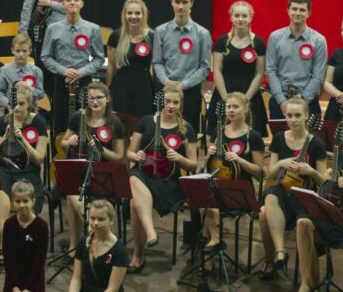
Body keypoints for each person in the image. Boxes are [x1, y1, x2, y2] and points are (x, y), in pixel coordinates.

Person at [42, 200, 136, 292]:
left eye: (101, 219)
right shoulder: (84, 243)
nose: (95, 223)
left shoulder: (119, 251)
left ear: (111, 220)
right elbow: (76, 278)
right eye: (92, 218)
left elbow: (112, 290)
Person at [126, 81, 198, 273]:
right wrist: (137, 156)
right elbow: (129, 153)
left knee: (134, 204)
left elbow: (193, 165)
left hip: (168, 181)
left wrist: (179, 158)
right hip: (143, 174)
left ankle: (138, 255)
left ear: (181, 104)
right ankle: (149, 234)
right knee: (133, 177)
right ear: (160, 101)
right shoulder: (146, 121)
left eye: (175, 102)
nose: (171, 106)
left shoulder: (186, 129)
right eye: (167, 101)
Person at [259, 96, 326, 281]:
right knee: (270, 196)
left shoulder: (316, 143)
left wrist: (311, 171)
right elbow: (271, 174)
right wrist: (282, 162)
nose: (293, 120)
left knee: (264, 213)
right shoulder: (279, 138)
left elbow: (323, 183)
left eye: (297, 115)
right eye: (289, 115)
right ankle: (280, 251)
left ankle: (274, 260)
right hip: (282, 191)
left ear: (306, 116)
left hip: (302, 197)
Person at [60, 82, 125, 258]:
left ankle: (88, 239)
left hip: (104, 178)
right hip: (79, 174)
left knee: (73, 194)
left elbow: (119, 157)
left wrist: (101, 150)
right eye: (90, 98)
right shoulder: (78, 117)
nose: (94, 102)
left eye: (99, 98)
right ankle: (83, 241)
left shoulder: (114, 123)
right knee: (73, 190)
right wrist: (70, 141)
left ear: (107, 99)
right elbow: (63, 143)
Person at [0, 83, 47, 266]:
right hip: (5, 169)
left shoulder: (38, 122)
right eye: (14, 104)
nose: (16, 108)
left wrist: (23, 140)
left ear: (29, 105)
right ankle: (4, 244)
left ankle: (16, 244)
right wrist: (6, 137)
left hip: (28, 171)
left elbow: (39, 158)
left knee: (20, 194)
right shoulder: (3, 121)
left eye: (21, 104)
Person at [201, 93, 264, 252]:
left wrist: (240, 160)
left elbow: (259, 172)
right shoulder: (218, 132)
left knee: (208, 201)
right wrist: (208, 155)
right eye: (228, 106)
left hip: (241, 191)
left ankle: (211, 244)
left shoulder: (253, 136)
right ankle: (215, 241)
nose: (231, 110)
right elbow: (208, 167)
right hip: (218, 186)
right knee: (203, 198)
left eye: (235, 106)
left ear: (246, 108)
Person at [41, 0, 105, 136]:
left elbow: (99, 58)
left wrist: (80, 72)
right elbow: (45, 56)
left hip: (84, 81)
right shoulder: (53, 28)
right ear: (63, 4)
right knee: (60, 122)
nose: (72, 3)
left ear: (82, 3)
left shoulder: (93, 29)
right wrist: (64, 70)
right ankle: (59, 149)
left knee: (85, 121)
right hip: (60, 80)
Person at [152, 0, 211, 132]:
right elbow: (157, 62)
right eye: (177, 2)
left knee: (188, 133)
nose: (180, 6)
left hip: (190, 92)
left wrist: (183, 85)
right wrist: (167, 81)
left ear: (191, 3)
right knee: (163, 132)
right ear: (171, 2)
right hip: (165, 88)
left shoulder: (203, 34)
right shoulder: (160, 31)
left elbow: (205, 67)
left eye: (184, 2)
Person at [207, 1, 267, 136]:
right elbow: (217, 71)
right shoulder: (222, 41)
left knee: (250, 138)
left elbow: (259, 73)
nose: (240, 19)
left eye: (244, 16)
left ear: (250, 18)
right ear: (231, 17)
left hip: (250, 96)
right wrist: (225, 98)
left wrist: (246, 99)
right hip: (224, 94)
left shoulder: (259, 43)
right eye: (237, 15)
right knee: (220, 137)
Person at [266, 0, 328, 119]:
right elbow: (271, 70)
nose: (297, 13)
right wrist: (281, 100)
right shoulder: (275, 37)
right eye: (294, 9)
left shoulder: (319, 40)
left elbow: (318, 75)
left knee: (308, 133)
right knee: (280, 133)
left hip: (308, 102)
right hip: (280, 102)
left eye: (302, 10)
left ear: (308, 13)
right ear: (288, 11)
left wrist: (303, 100)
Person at [2, 180, 48, 292]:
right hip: (14, 277)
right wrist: (14, 286)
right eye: (18, 201)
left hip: (33, 278)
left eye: (26, 201)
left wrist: (29, 288)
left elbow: (40, 261)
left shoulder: (42, 226)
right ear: (12, 202)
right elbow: (8, 258)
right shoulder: (9, 225)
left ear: (33, 201)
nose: (22, 205)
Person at [106, 0, 155, 119]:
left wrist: (157, 90)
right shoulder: (115, 36)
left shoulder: (152, 37)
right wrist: (107, 91)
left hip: (144, 86)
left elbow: (155, 68)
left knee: (143, 122)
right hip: (121, 86)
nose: (133, 16)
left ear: (143, 15)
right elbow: (111, 67)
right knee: (120, 123)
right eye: (130, 13)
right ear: (124, 15)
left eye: (137, 13)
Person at [0, 34, 44, 109]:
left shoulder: (37, 71)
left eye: (24, 51)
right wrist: (10, 104)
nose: (21, 54)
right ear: (12, 50)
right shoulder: (4, 70)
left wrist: (29, 88)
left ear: (30, 51)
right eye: (18, 51)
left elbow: (41, 93)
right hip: (11, 111)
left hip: (30, 111)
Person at [322, 18, 343, 121]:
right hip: (337, 104)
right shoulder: (336, 54)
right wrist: (341, 95)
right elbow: (327, 82)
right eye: (342, 29)